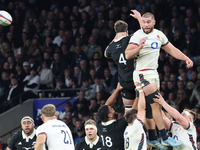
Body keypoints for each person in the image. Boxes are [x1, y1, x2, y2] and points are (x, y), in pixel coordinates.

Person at [125, 12, 192, 147]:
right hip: (142, 73)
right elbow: (127, 55)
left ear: (154, 22)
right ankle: (164, 136)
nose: (146, 24)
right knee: (156, 104)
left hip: (153, 73)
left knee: (151, 107)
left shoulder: (159, 35)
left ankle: (153, 138)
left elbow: (172, 50)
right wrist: (140, 47)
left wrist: (185, 58)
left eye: (148, 22)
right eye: (143, 22)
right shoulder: (138, 35)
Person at [104, 10, 142, 113]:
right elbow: (144, 32)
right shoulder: (130, 39)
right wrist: (139, 18)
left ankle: (128, 129)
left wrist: (115, 38)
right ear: (127, 31)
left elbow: (105, 53)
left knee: (128, 112)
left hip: (124, 82)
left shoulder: (111, 48)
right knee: (143, 110)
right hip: (136, 80)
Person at [97, 83, 128, 150]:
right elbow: (130, 111)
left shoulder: (99, 123)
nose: (113, 108)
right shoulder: (118, 126)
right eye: (112, 109)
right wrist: (139, 93)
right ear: (110, 115)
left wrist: (117, 90)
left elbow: (107, 105)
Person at [123, 82, 148, 150]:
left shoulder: (127, 129)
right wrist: (140, 90)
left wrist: (137, 96)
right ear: (135, 119)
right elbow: (142, 109)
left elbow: (133, 111)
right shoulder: (136, 127)